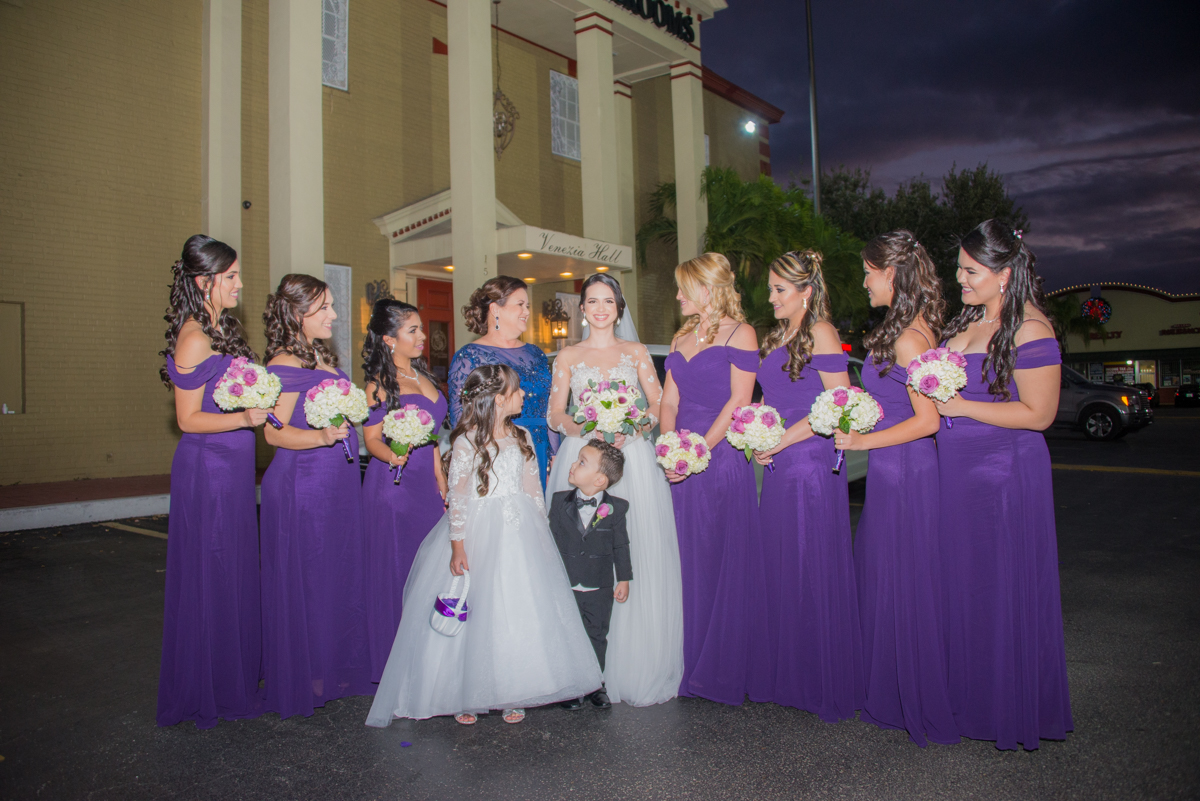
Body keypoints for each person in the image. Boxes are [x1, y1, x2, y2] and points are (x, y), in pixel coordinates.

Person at [366, 365, 603, 727]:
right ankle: (463, 690)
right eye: (517, 390)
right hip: (476, 529)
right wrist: (458, 545)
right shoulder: (467, 441)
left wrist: (541, 529)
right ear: (497, 398)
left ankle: (513, 688)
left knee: (515, 607)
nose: (524, 395)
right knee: (474, 608)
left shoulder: (521, 435)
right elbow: (458, 497)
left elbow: (531, 488)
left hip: (519, 529)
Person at [935, 220, 1072, 750]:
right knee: (963, 584)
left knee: (999, 586)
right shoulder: (968, 322)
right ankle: (967, 697)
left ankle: (1004, 705)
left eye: (970, 270)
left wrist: (963, 405)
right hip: (958, 475)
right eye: (960, 267)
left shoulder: (1031, 330)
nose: (960, 277)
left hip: (1003, 477)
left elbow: (1040, 414)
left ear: (1004, 273)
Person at [835, 232, 958, 746]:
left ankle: (913, 695)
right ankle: (891, 688)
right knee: (888, 577)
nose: (864, 282)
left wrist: (864, 436)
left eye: (868, 272)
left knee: (905, 580)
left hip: (907, 471)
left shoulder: (909, 337)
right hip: (893, 471)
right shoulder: (908, 329)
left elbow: (928, 421)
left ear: (890, 274)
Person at [545, 273, 684, 707]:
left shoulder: (636, 352)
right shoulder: (567, 355)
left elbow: (659, 405)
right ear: (581, 308)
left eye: (609, 300)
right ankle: (579, 663)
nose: (601, 308)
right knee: (578, 554)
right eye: (592, 300)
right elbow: (554, 414)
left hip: (632, 458)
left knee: (633, 548)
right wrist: (582, 427)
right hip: (582, 456)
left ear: (619, 308)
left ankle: (633, 660)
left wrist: (633, 426)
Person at [156, 235, 269, 728]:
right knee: (213, 566)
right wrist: (246, 419)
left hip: (234, 466)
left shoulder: (222, 328)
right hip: (209, 469)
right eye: (231, 277)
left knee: (233, 566)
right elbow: (188, 419)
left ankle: (230, 673)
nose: (239, 284)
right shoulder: (195, 336)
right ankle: (209, 683)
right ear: (204, 282)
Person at [750, 250, 864, 721]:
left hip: (810, 464)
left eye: (780, 289)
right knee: (782, 562)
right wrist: (756, 429)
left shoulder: (822, 332)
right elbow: (768, 396)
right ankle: (788, 670)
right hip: (779, 463)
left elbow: (841, 401)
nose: (771, 297)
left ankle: (818, 675)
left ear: (806, 292)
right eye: (772, 289)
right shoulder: (778, 334)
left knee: (808, 562)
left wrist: (779, 440)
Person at [259, 274, 373, 719]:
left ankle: (333, 665)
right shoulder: (283, 364)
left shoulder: (321, 357)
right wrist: (322, 436)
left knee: (336, 570)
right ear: (297, 313)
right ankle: (306, 671)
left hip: (336, 481)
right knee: (308, 574)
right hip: (303, 483)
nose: (334, 315)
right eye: (324, 308)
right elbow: (272, 432)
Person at [659, 253, 770, 705]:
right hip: (680, 455)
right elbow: (669, 401)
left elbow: (739, 403)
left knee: (719, 555)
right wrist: (670, 448)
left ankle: (721, 663)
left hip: (720, 457)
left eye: (686, 288)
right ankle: (684, 659)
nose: (679, 296)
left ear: (709, 288)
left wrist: (698, 450)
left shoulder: (741, 333)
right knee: (682, 558)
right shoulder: (681, 334)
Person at [360, 299, 449, 682]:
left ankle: (434, 656)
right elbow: (371, 440)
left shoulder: (422, 374)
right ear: (389, 339)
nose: (422, 336)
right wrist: (394, 457)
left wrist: (441, 477)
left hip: (427, 484)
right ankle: (399, 662)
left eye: (420, 328)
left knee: (433, 570)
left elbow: (432, 440)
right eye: (412, 330)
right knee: (400, 570)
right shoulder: (378, 385)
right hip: (394, 487)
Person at [448, 277, 554, 488]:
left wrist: (554, 455)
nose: (527, 311)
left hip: (540, 449)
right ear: (496, 309)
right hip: (495, 454)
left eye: (528, 306)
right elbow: (461, 417)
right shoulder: (470, 356)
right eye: (520, 305)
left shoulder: (536, 354)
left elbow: (549, 408)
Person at [550, 441, 632, 711]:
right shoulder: (559, 501)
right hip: (565, 583)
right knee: (567, 634)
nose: (573, 465)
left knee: (597, 635)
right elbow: (550, 540)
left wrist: (623, 579)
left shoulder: (617, 508)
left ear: (600, 479)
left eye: (582, 462)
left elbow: (621, 545)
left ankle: (597, 684)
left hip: (599, 585)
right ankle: (571, 686)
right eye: (577, 459)